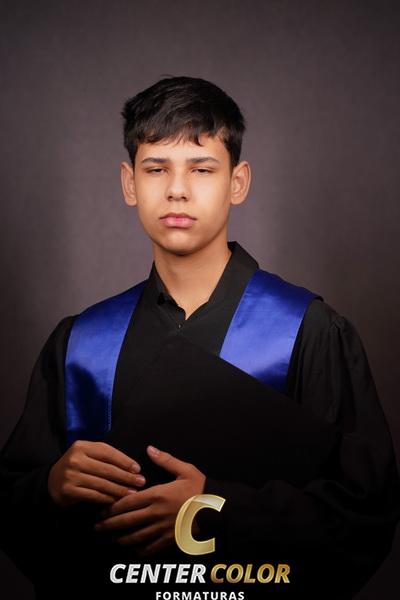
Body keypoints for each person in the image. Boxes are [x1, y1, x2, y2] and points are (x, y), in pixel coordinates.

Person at [1, 76, 399, 600]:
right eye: (156, 168)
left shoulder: (307, 331)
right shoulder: (81, 344)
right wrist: (51, 486)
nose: (177, 189)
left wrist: (212, 509)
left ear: (238, 182)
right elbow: (13, 506)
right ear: (129, 183)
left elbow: (364, 514)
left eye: (202, 168)